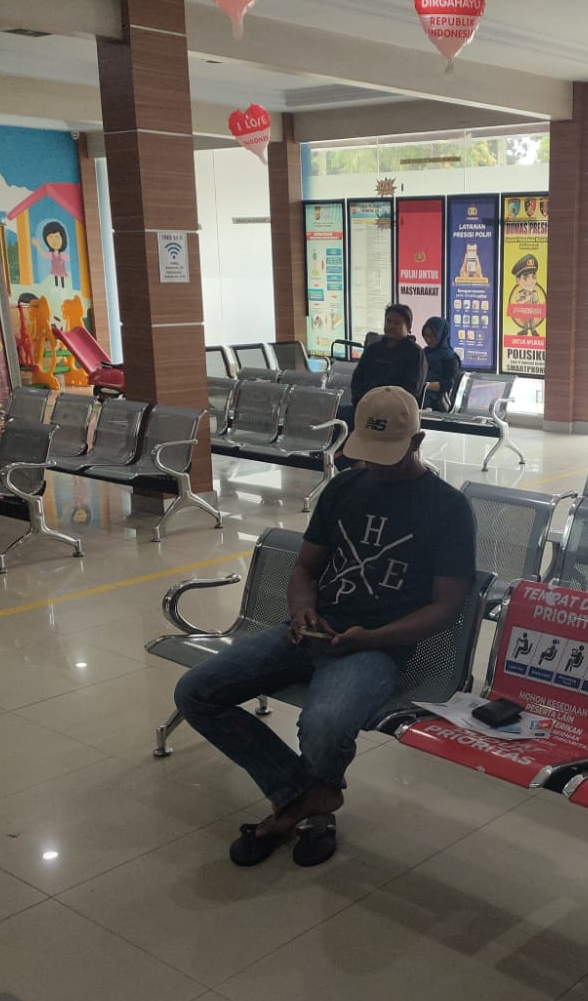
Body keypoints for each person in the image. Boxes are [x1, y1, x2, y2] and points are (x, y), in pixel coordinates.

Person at [173, 386, 477, 868]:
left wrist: (372, 638)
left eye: (387, 455)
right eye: (367, 453)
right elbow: (305, 569)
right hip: (309, 630)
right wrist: (301, 611)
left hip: (376, 647)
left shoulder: (449, 509)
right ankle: (306, 797)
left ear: (418, 442)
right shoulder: (343, 489)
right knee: (195, 693)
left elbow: (447, 607)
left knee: (325, 726)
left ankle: (294, 810)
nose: (373, 465)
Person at [421, 316, 461, 412]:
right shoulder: (424, 352)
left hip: (436, 403)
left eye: (433, 336)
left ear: (441, 335)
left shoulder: (450, 357)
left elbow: (447, 384)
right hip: (420, 396)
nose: (428, 340)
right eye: (426, 336)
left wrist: (424, 386)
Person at [38, 221, 71, 290]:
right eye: (50, 237)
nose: (54, 240)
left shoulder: (62, 255)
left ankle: (62, 287)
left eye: (56, 236)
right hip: (55, 270)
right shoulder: (51, 255)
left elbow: (70, 259)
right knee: (56, 278)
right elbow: (44, 254)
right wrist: (38, 245)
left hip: (61, 271)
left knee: (62, 278)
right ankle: (56, 286)